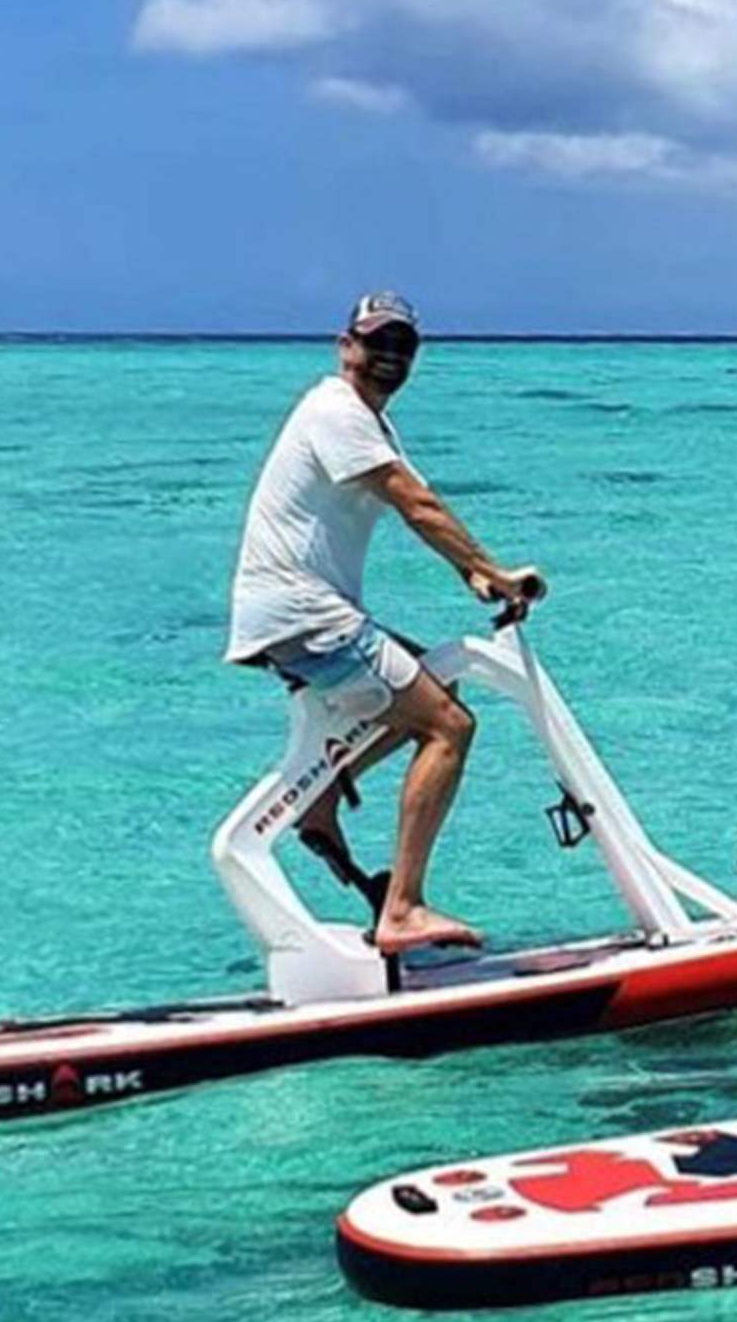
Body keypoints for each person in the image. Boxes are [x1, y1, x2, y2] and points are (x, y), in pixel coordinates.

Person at [225, 292, 545, 956]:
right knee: (450, 727)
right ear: (346, 347)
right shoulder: (336, 412)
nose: (388, 359)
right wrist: (497, 567)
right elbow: (416, 506)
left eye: (402, 348)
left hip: (298, 612)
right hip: (305, 614)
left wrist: (475, 576)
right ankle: (401, 909)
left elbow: (419, 502)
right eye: (375, 344)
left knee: (434, 695)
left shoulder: (367, 425)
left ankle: (316, 799)